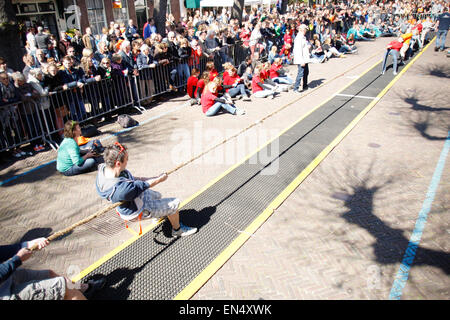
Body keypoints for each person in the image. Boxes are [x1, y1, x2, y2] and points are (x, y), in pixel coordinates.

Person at [95, 142, 198, 238]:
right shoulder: (121, 190)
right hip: (136, 210)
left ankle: (158, 215)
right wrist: (159, 179)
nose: (127, 161)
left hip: (134, 199)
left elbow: (135, 180)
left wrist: (154, 177)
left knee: (157, 195)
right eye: (126, 159)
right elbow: (144, 185)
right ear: (118, 163)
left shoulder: (104, 168)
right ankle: (177, 230)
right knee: (175, 203)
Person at [0, 237, 105, 300]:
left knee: (49, 275)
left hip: (7, 279)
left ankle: (83, 290)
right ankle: (74, 295)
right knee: (64, 286)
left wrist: (29, 243)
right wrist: (18, 259)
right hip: (5, 294)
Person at [292, 24, 311, 93]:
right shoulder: (299, 38)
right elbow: (298, 50)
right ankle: (296, 88)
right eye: (305, 29)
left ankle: (305, 85)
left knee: (306, 72)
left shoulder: (303, 37)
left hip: (305, 58)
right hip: (301, 59)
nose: (306, 30)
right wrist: (301, 61)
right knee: (300, 73)